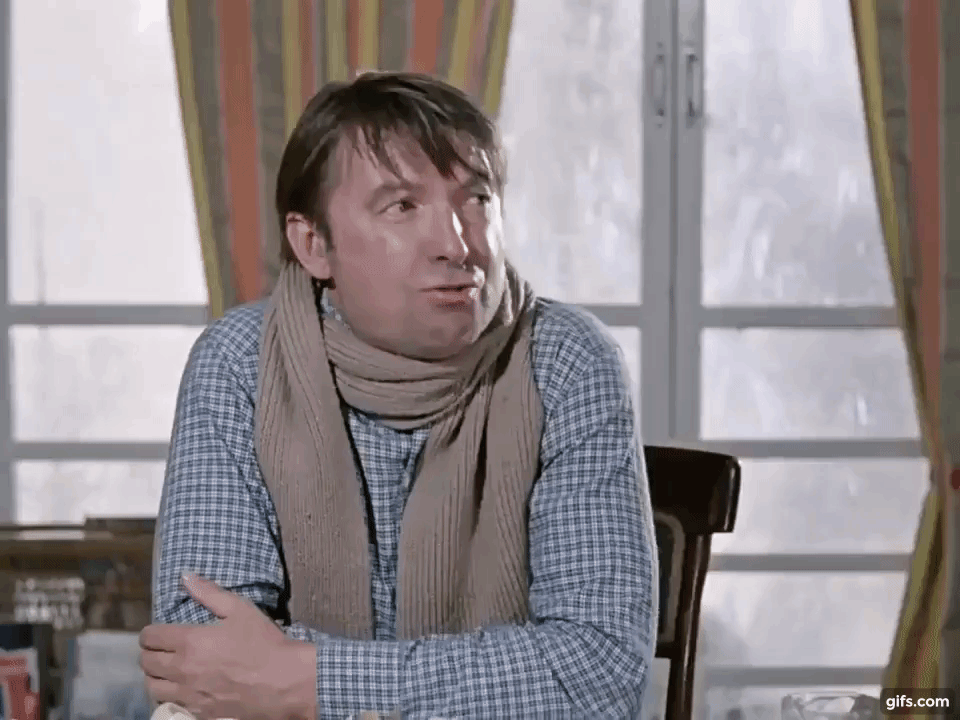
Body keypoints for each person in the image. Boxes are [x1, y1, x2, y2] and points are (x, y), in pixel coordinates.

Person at [139, 71, 658, 720]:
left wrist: (312, 682)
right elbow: (200, 662)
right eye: (403, 207)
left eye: (478, 199)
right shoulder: (241, 362)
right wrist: (479, 683)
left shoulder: (567, 360)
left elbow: (600, 676)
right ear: (314, 245)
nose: (458, 245)